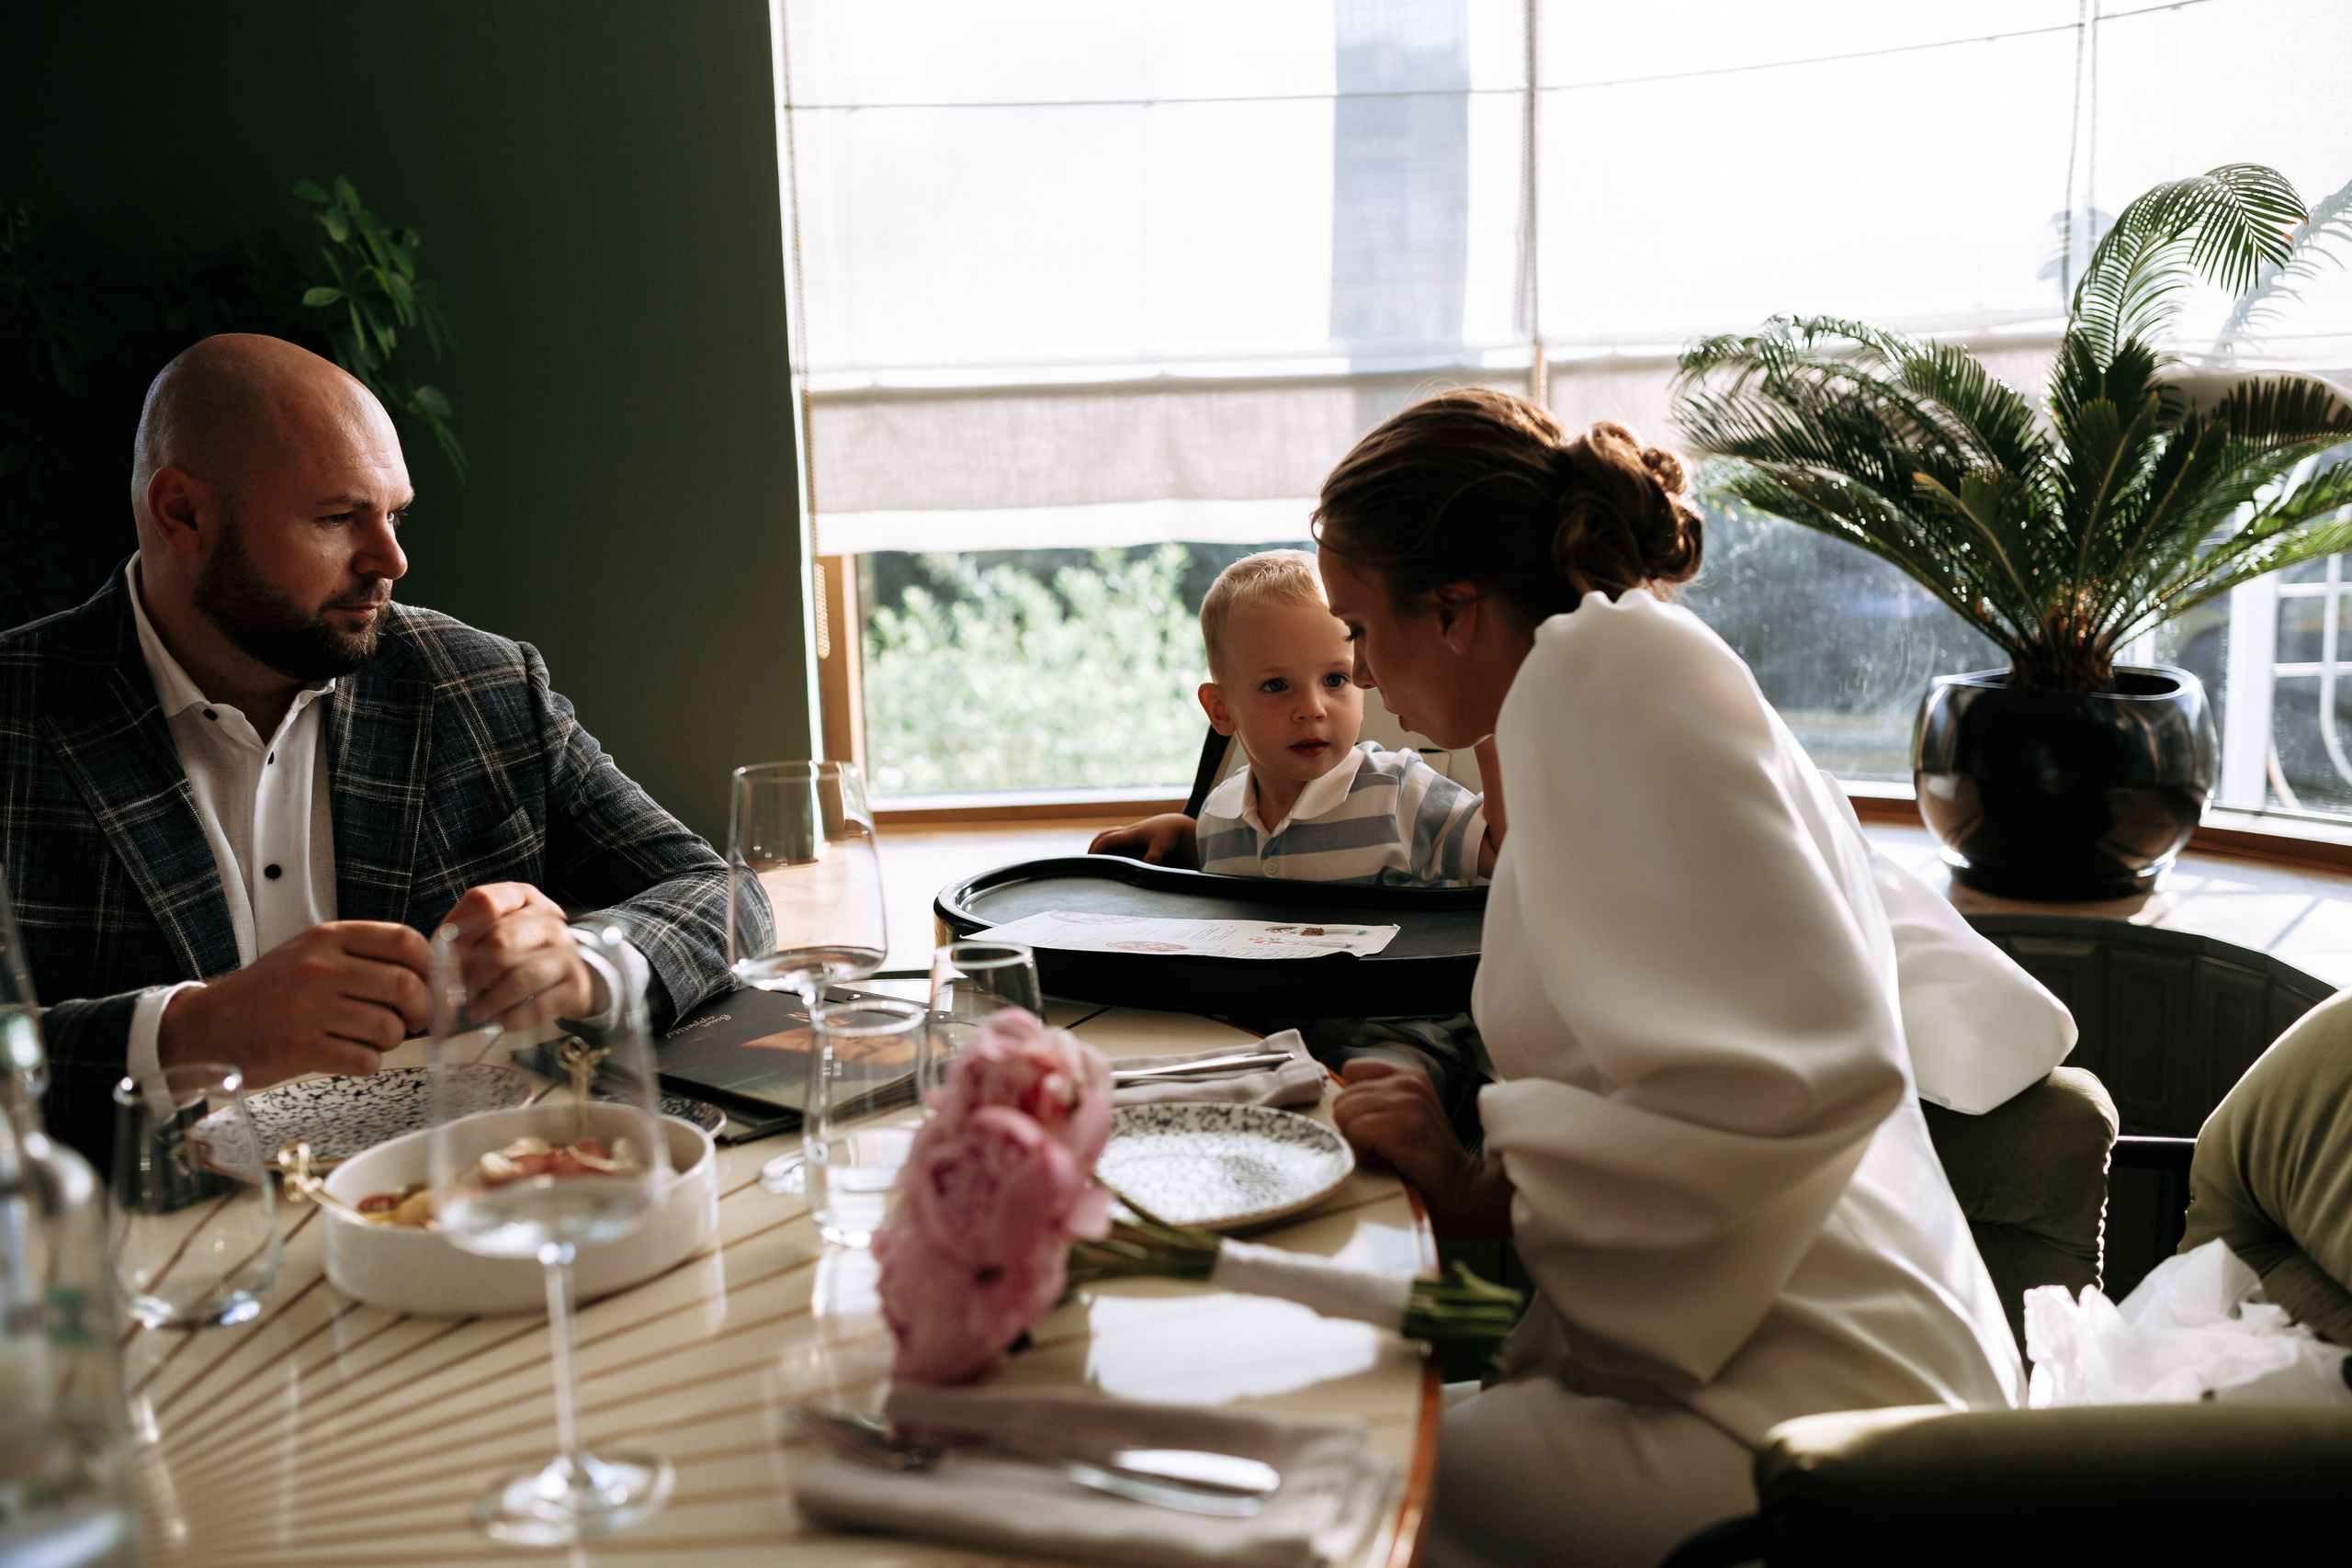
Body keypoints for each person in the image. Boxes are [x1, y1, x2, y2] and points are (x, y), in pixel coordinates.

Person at [1315, 390, 2075, 1567]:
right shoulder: (1612, 678)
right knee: (1349, 1416)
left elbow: (1805, 1073)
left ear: (1456, 609)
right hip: (1763, 1338)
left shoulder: (1603, 678)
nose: (1356, 673)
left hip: (1811, 1398)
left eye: (1359, 630)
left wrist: (1475, 1187)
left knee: (1341, 1481)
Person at [0, 334, 736, 1164]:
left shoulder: (478, 684)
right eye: (337, 517)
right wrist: (183, 1034)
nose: (392, 559)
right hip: (139, 1261)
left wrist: (592, 961)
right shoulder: (21, 713)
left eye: (395, 514)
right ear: (183, 514)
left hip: (457, 1215)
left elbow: (719, 890)